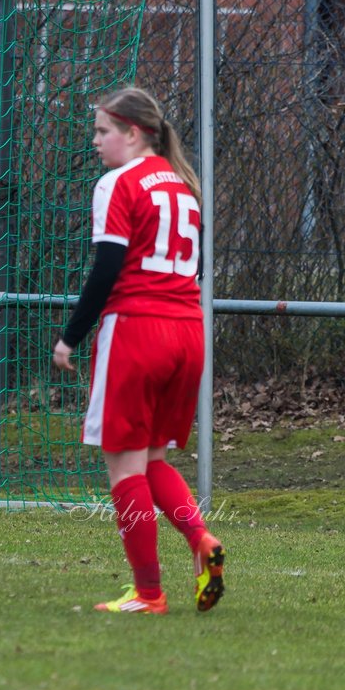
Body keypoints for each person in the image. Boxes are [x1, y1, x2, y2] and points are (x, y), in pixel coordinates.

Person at [53, 86, 224, 614]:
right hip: (188, 332)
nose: (97, 141)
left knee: (123, 468)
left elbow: (107, 267)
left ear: (134, 133)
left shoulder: (118, 183)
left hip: (139, 330)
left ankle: (149, 593)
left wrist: (71, 335)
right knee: (151, 457)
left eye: (104, 131)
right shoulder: (182, 184)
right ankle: (201, 541)